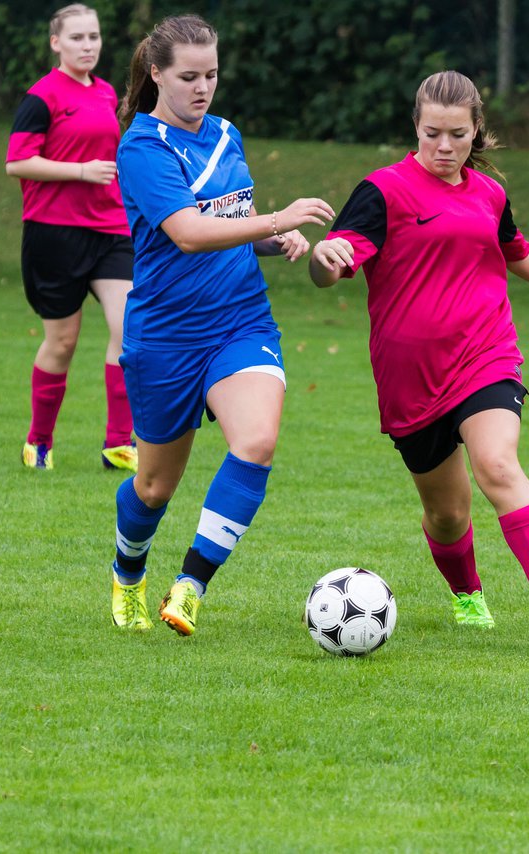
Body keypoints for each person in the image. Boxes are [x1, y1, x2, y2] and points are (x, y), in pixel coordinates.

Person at [309, 70, 529, 646]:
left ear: (475, 131)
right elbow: (330, 273)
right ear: (415, 127)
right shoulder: (382, 192)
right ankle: (468, 595)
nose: (444, 147)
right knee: (447, 515)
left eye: (457, 135)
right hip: (410, 380)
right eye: (432, 133)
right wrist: (324, 254)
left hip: (485, 355)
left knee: (497, 465)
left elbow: (516, 252)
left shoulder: (489, 193)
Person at [109, 14, 334, 635]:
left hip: (240, 320)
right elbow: (186, 232)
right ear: (156, 73)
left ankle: (190, 586)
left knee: (256, 442)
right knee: (153, 487)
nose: (202, 87)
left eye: (211, 74)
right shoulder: (141, 148)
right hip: (166, 337)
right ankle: (128, 572)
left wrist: (272, 237)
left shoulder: (226, 134)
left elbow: (228, 220)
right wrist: (272, 219)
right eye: (188, 76)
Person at [5, 4, 137, 472]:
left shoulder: (106, 93)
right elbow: (17, 162)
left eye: (94, 37)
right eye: (77, 38)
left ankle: (119, 443)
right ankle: (39, 441)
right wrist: (80, 172)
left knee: (129, 332)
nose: (88, 45)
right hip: (54, 233)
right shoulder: (41, 97)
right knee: (62, 343)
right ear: (56, 43)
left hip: (112, 231)